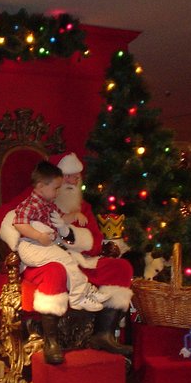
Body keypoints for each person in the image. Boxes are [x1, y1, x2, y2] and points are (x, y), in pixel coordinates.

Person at [13, 161, 110, 365]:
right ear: (40, 186)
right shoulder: (31, 203)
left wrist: (72, 216)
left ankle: (83, 292)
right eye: (55, 187)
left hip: (42, 246)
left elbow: (59, 219)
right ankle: (79, 295)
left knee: (69, 260)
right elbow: (19, 223)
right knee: (65, 260)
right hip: (31, 248)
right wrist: (39, 236)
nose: (57, 192)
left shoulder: (47, 204)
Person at [48, 152, 134, 357]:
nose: (72, 181)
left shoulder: (84, 208)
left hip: (84, 261)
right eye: (68, 176)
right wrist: (65, 222)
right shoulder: (45, 203)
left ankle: (103, 333)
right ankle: (51, 341)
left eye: (76, 177)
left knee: (122, 267)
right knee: (59, 271)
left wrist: (75, 235)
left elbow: (95, 244)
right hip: (57, 260)